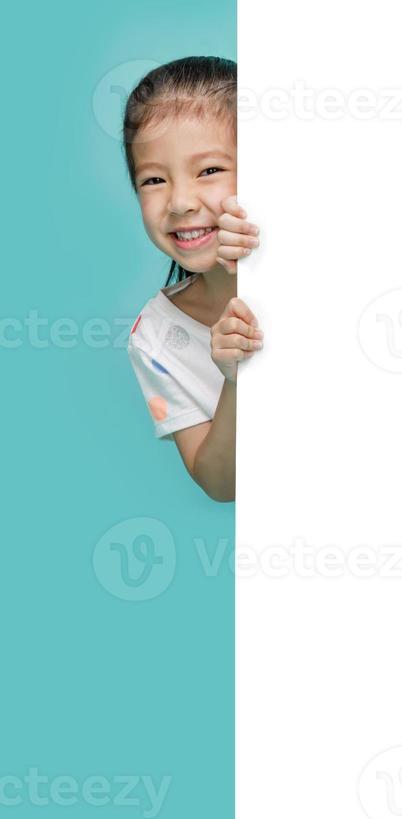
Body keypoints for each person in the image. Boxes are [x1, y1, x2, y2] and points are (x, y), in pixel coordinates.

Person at [123, 57, 262, 500]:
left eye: (209, 171)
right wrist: (236, 379)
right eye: (154, 179)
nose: (180, 201)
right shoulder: (155, 339)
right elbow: (220, 484)